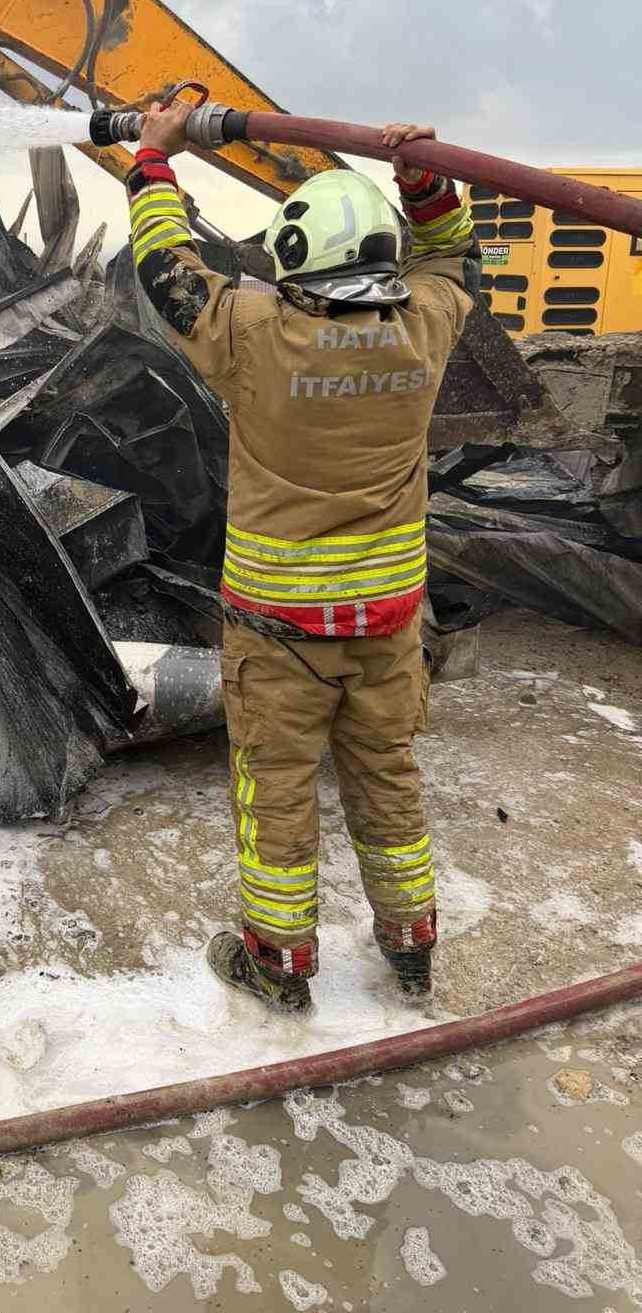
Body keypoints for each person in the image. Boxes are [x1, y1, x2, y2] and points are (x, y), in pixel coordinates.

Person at [125, 110, 477, 1011]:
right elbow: (450, 256)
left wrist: (157, 155)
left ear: (291, 255)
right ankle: (410, 949)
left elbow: (165, 270)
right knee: (388, 778)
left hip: (279, 635)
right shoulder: (425, 326)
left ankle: (279, 964)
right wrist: (422, 178)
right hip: (390, 627)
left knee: (276, 793)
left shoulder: (253, 332)